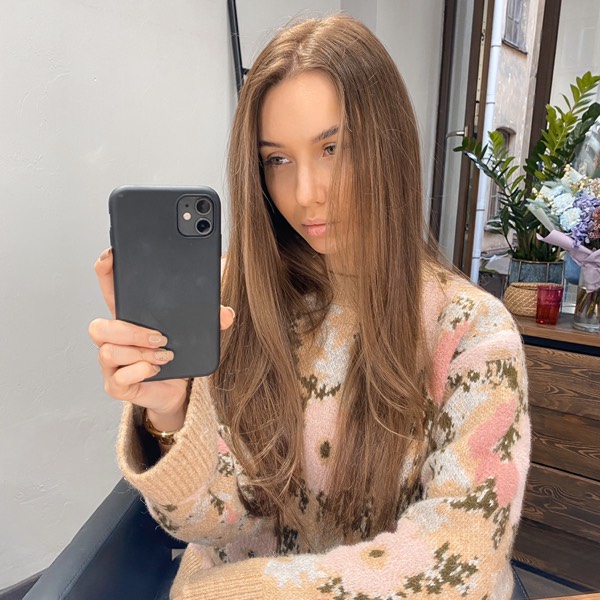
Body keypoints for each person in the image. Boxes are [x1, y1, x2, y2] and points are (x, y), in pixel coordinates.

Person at [89, 13, 530, 600]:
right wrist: (170, 415)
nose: (305, 194)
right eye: (278, 159)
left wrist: (233, 593)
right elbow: (216, 524)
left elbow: (460, 559)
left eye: (332, 148)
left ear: (390, 145)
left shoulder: (472, 334)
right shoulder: (233, 302)